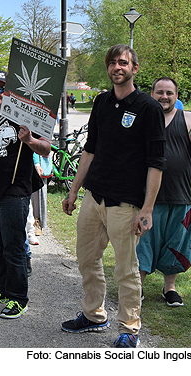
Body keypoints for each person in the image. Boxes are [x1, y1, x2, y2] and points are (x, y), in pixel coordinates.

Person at [61, 44, 166, 348]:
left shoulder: (148, 108)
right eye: (112, 63)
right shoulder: (102, 103)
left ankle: (129, 329)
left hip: (127, 204)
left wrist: (146, 208)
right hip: (95, 199)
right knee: (87, 259)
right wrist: (74, 191)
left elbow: (156, 163)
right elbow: (89, 150)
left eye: (123, 62)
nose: (117, 67)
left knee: (126, 270)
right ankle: (94, 315)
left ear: (135, 69)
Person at [0, 70, 51, 319]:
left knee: (13, 246)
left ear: (9, 93)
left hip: (15, 192)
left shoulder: (22, 118)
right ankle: (4, 289)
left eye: (0, 89)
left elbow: (46, 148)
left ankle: (19, 298)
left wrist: (29, 139)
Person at [137, 77, 191, 307]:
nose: (164, 97)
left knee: (176, 242)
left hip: (179, 194)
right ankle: (139, 286)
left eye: (169, 93)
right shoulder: (142, 118)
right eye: (160, 92)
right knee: (144, 242)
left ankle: (169, 288)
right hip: (147, 197)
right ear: (152, 94)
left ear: (176, 96)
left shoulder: (189, 118)